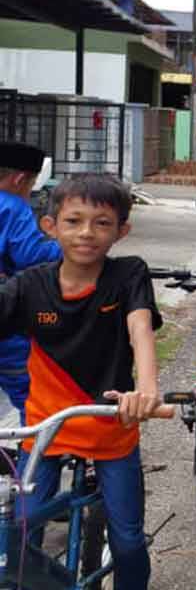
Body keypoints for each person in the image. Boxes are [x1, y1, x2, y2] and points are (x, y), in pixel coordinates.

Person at [0, 174, 167, 590]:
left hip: (110, 422)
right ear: (50, 226)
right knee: (22, 530)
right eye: (73, 221)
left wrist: (147, 389)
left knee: (129, 536)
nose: (87, 233)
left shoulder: (127, 274)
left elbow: (140, 331)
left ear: (122, 231)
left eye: (102, 222)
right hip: (47, 429)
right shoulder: (28, 285)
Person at [0, 141, 61, 424]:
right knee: (31, 397)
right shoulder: (11, 206)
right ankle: (33, 459)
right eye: (31, 185)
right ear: (19, 179)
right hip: (5, 320)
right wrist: (69, 247)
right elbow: (31, 255)